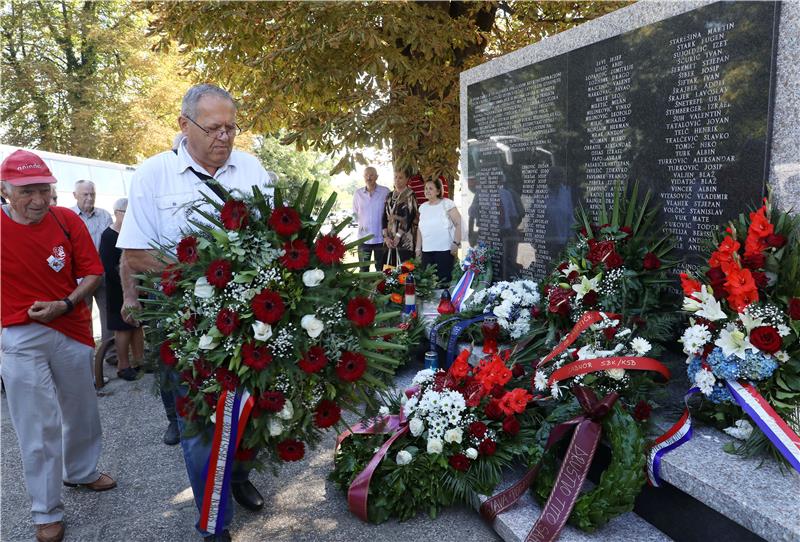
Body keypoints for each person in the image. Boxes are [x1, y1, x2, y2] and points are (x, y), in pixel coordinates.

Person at [117, 83, 274, 541]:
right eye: (214, 128)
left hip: (251, 320)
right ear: (184, 125)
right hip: (185, 324)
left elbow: (280, 236)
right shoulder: (153, 174)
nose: (224, 137)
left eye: (231, 128)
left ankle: (240, 477)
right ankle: (215, 518)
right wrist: (209, 274)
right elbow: (138, 254)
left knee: (254, 408)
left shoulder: (252, 169)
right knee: (199, 419)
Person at [0, 149, 116, 542]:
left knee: (82, 411)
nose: (37, 201)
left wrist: (64, 304)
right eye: (26, 192)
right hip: (18, 334)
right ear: (6, 190)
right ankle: (46, 511)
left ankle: (81, 472)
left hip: (72, 328)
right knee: (37, 426)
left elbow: (93, 272)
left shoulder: (67, 220)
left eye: (44, 191)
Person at [99, 198, 144, 381]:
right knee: (123, 328)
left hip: (137, 287)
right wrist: (127, 284)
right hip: (118, 289)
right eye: (128, 213)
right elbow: (109, 267)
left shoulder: (133, 233)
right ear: (117, 212)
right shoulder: (108, 236)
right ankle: (123, 365)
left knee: (137, 325)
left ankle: (140, 361)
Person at [71, 180, 113, 349]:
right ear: (75, 195)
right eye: (85, 194)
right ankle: (88, 355)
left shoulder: (104, 215)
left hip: (103, 274)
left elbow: (111, 244)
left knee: (108, 316)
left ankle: (110, 355)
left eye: (92, 194)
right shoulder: (68, 216)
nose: (89, 198)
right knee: (84, 318)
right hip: (82, 278)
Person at [416, 177, 463, 286]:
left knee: (444, 284)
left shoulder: (447, 204)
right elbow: (420, 229)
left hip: (444, 251)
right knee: (427, 285)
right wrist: (418, 249)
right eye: (426, 188)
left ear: (438, 191)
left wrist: (456, 243)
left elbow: (459, 223)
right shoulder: (422, 207)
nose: (427, 191)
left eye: (430, 188)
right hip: (427, 252)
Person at [353, 166, 389, 271]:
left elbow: (390, 211)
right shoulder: (358, 194)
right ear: (363, 177)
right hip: (363, 239)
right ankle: (365, 288)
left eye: (371, 175)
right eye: (366, 175)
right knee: (363, 270)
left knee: (381, 270)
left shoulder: (385, 191)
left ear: (377, 177)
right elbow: (354, 214)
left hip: (381, 239)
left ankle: (380, 288)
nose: (369, 177)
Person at [382, 169, 419, 266]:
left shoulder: (410, 195)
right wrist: (386, 237)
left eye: (401, 177)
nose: (397, 180)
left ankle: (404, 281)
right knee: (389, 271)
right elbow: (384, 217)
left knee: (405, 272)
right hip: (389, 240)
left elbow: (409, 217)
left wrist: (398, 236)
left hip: (405, 240)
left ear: (407, 179)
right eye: (395, 177)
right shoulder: (389, 195)